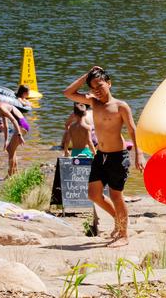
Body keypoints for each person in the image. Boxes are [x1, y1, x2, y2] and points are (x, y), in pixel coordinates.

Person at [64, 66, 145, 247]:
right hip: (101, 156)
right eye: (93, 88)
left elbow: (133, 130)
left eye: (100, 86)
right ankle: (119, 220)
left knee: (116, 195)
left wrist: (139, 155)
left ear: (109, 83)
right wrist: (87, 74)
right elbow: (68, 92)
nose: (97, 91)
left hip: (118, 156)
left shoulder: (120, 106)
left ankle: (123, 235)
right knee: (93, 194)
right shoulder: (93, 102)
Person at [0, 91, 29, 176]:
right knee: (11, 149)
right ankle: (15, 172)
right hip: (20, 126)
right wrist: (6, 140)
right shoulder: (0, 108)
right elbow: (6, 126)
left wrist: (19, 135)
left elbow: (14, 120)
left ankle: (10, 175)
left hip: (21, 125)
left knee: (10, 150)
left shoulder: (2, 107)